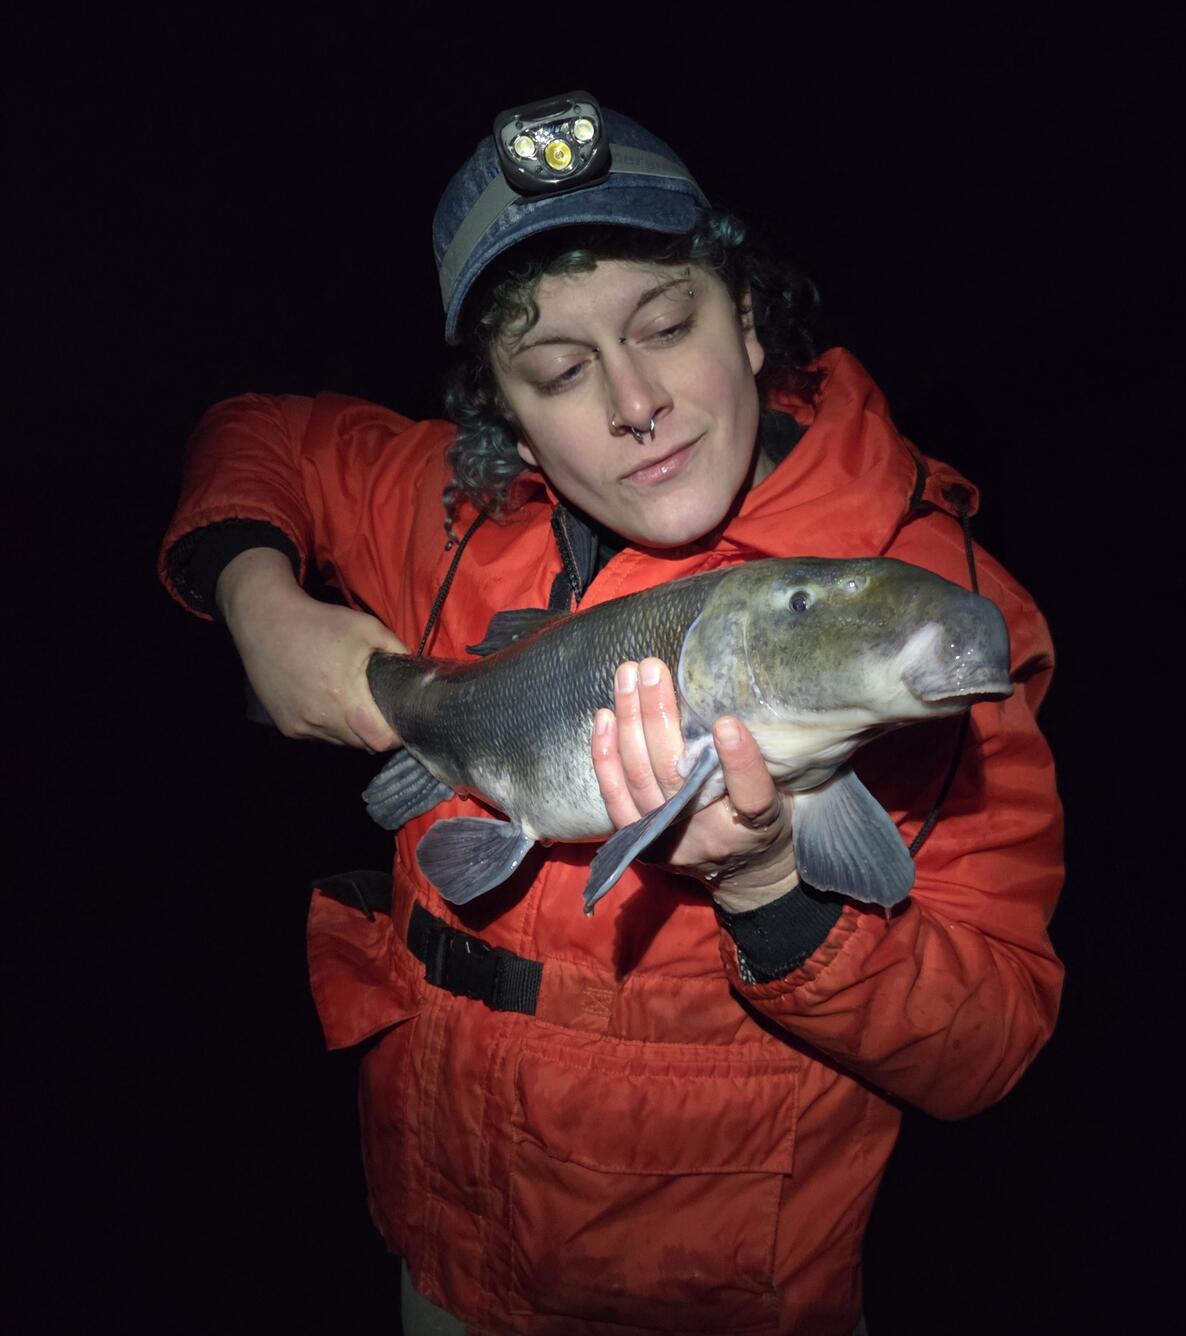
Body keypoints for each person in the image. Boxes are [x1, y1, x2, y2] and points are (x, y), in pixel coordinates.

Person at [160, 94, 1064, 1336]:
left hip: (716, 1298)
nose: (635, 401)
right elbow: (254, 433)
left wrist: (769, 895)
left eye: (667, 322)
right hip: (439, 1246)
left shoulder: (933, 608)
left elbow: (988, 1043)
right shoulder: (454, 508)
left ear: (746, 318)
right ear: (501, 408)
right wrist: (259, 603)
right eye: (559, 371)